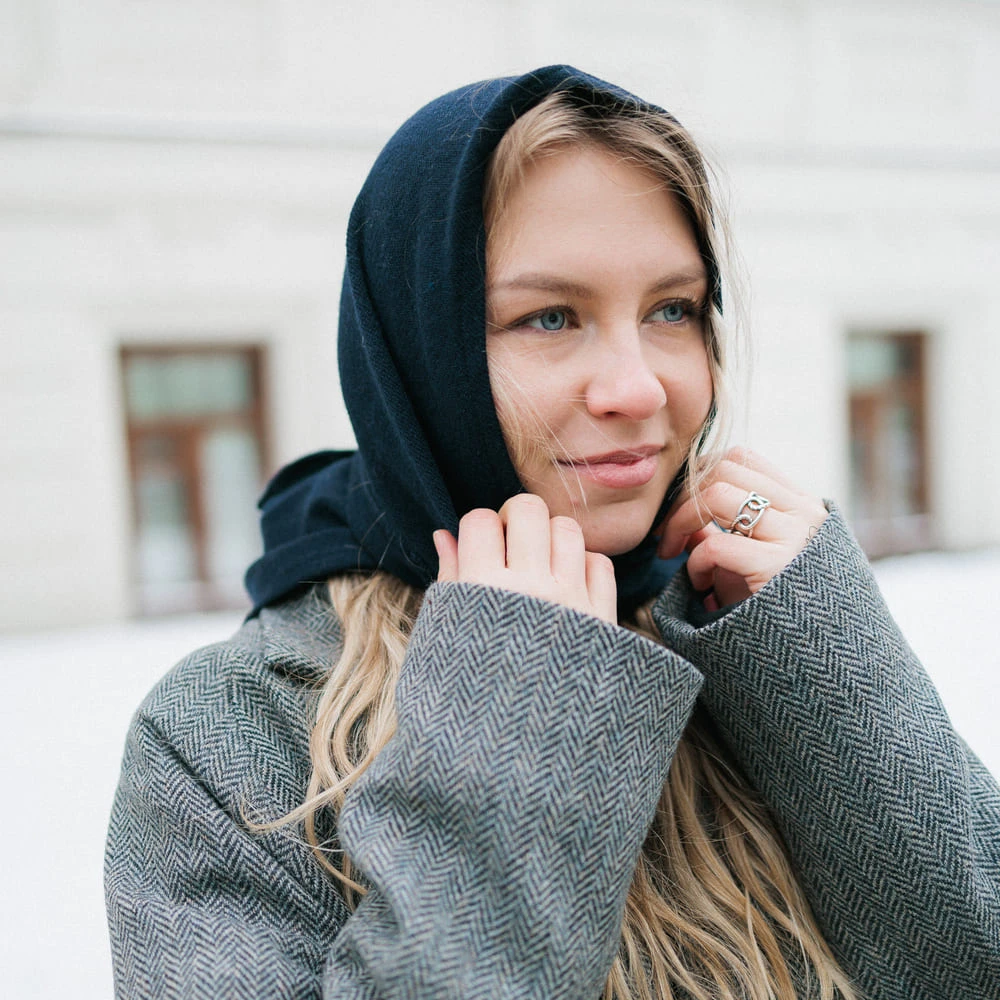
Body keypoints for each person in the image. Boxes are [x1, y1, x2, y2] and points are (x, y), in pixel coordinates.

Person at [104, 66, 1000, 1000]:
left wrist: (837, 669)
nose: (639, 387)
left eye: (672, 309)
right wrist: (519, 722)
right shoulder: (232, 739)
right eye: (550, 317)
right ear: (420, 347)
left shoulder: (749, 624)